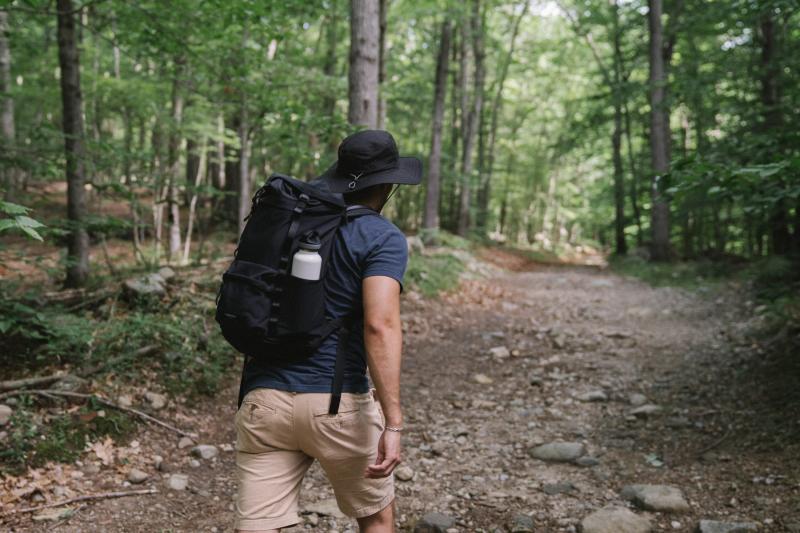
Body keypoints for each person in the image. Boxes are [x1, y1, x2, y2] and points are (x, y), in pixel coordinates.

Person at [234, 130, 422, 532]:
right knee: (375, 518)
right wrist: (393, 422)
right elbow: (380, 324)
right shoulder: (381, 237)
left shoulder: (287, 224)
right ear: (387, 184)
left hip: (263, 402)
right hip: (337, 408)